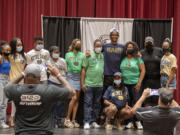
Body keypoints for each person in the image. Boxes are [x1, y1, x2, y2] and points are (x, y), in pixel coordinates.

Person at [4, 64, 75, 135]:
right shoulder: (49, 90)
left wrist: (22, 74)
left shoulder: (17, 90)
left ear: (25, 76)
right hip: (43, 131)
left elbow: (6, 88)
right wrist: (58, 75)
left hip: (22, 132)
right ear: (40, 77)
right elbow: (72, 92)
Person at [100, 28, 124, 124]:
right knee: (106, 97)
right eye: (112, 35)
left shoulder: (122, 46)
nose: (114, 36)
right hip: (107, 75)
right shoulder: (104, 46)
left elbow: (130, 54)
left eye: (116, 35)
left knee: (118, 97)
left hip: (118, 76)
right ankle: (105, 117)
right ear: (110, 36)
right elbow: (96, 53)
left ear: (118, 36)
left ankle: (117, 119)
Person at [120, 41, 145, 129]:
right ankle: (130, 122)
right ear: (126, 49)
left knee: (137, 102)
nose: (129, 48)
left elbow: (143, 70)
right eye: (128, 47)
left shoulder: (138, 58)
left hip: (135, 84)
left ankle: (138, 121)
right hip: (125, 85)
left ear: (134, 48)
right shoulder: (122, 58)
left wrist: (139, 83)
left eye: (131, 47)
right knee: (127, 103)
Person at [81, 39, 104, 129]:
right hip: (89, 84)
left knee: (97, 104)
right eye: (97, 46)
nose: (99, 47)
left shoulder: (102, 56)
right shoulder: (88, 55)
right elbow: (83, 70)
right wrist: (82, 83)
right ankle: (86, 122)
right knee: (88, 104)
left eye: (100, 46)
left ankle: (93, 121)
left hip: (99, 85)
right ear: (94, 46)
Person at [65, 39, 85, 128]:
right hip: (70, 75)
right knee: (73, 98)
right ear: (73, 45)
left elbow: (83, 67)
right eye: (77, 44)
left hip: (78, 76)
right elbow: (66, 65)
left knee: (77, 100)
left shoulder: (82, 55)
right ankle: (67, 119)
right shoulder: (68, 54)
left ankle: (73, 120)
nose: (79, 46)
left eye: (80, 45)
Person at [47, 46, 68, 127]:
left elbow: (66, 71)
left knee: (60, 103)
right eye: (55, 52)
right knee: (52, 102)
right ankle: (52, 120)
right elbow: (42, 67)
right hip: (52, 82)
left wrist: (65, 82)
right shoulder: (48, 61)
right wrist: (47, 70)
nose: (57, 54)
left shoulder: (62, 61)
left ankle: (59, 120)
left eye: (58, 52)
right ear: (51, 53)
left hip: (61, 83)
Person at [9, 37, 27, 127]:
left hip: (21, 80)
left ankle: (15, 118)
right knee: (12, 101)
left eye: (21, 44)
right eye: (17, 45)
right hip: (11, 80)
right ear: (13, 45)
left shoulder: (25, 55)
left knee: (18, 101)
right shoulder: (10, 55)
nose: (20, 46)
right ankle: (11, 118)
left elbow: (29, 66)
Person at [140, 36, 163, 106]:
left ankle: (155, 116)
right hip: (146, 81)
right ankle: (148, 115)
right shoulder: (141, 52)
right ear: (144, 44)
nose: (149, 44)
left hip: (156, 81)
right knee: (147, 99)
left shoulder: (159, 51)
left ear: (153, 43)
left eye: (150, 43)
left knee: (156, 99)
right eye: (147, 43)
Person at [0, 41, 11, 128]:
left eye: (9, 50)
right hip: (0, 79)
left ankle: (2, 122)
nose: (8, 51)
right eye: (7, 50)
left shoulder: (8, 59)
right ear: (2, 50)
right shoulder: (0, 58)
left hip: (7, 80)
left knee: (5, 103)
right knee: (0, 102)